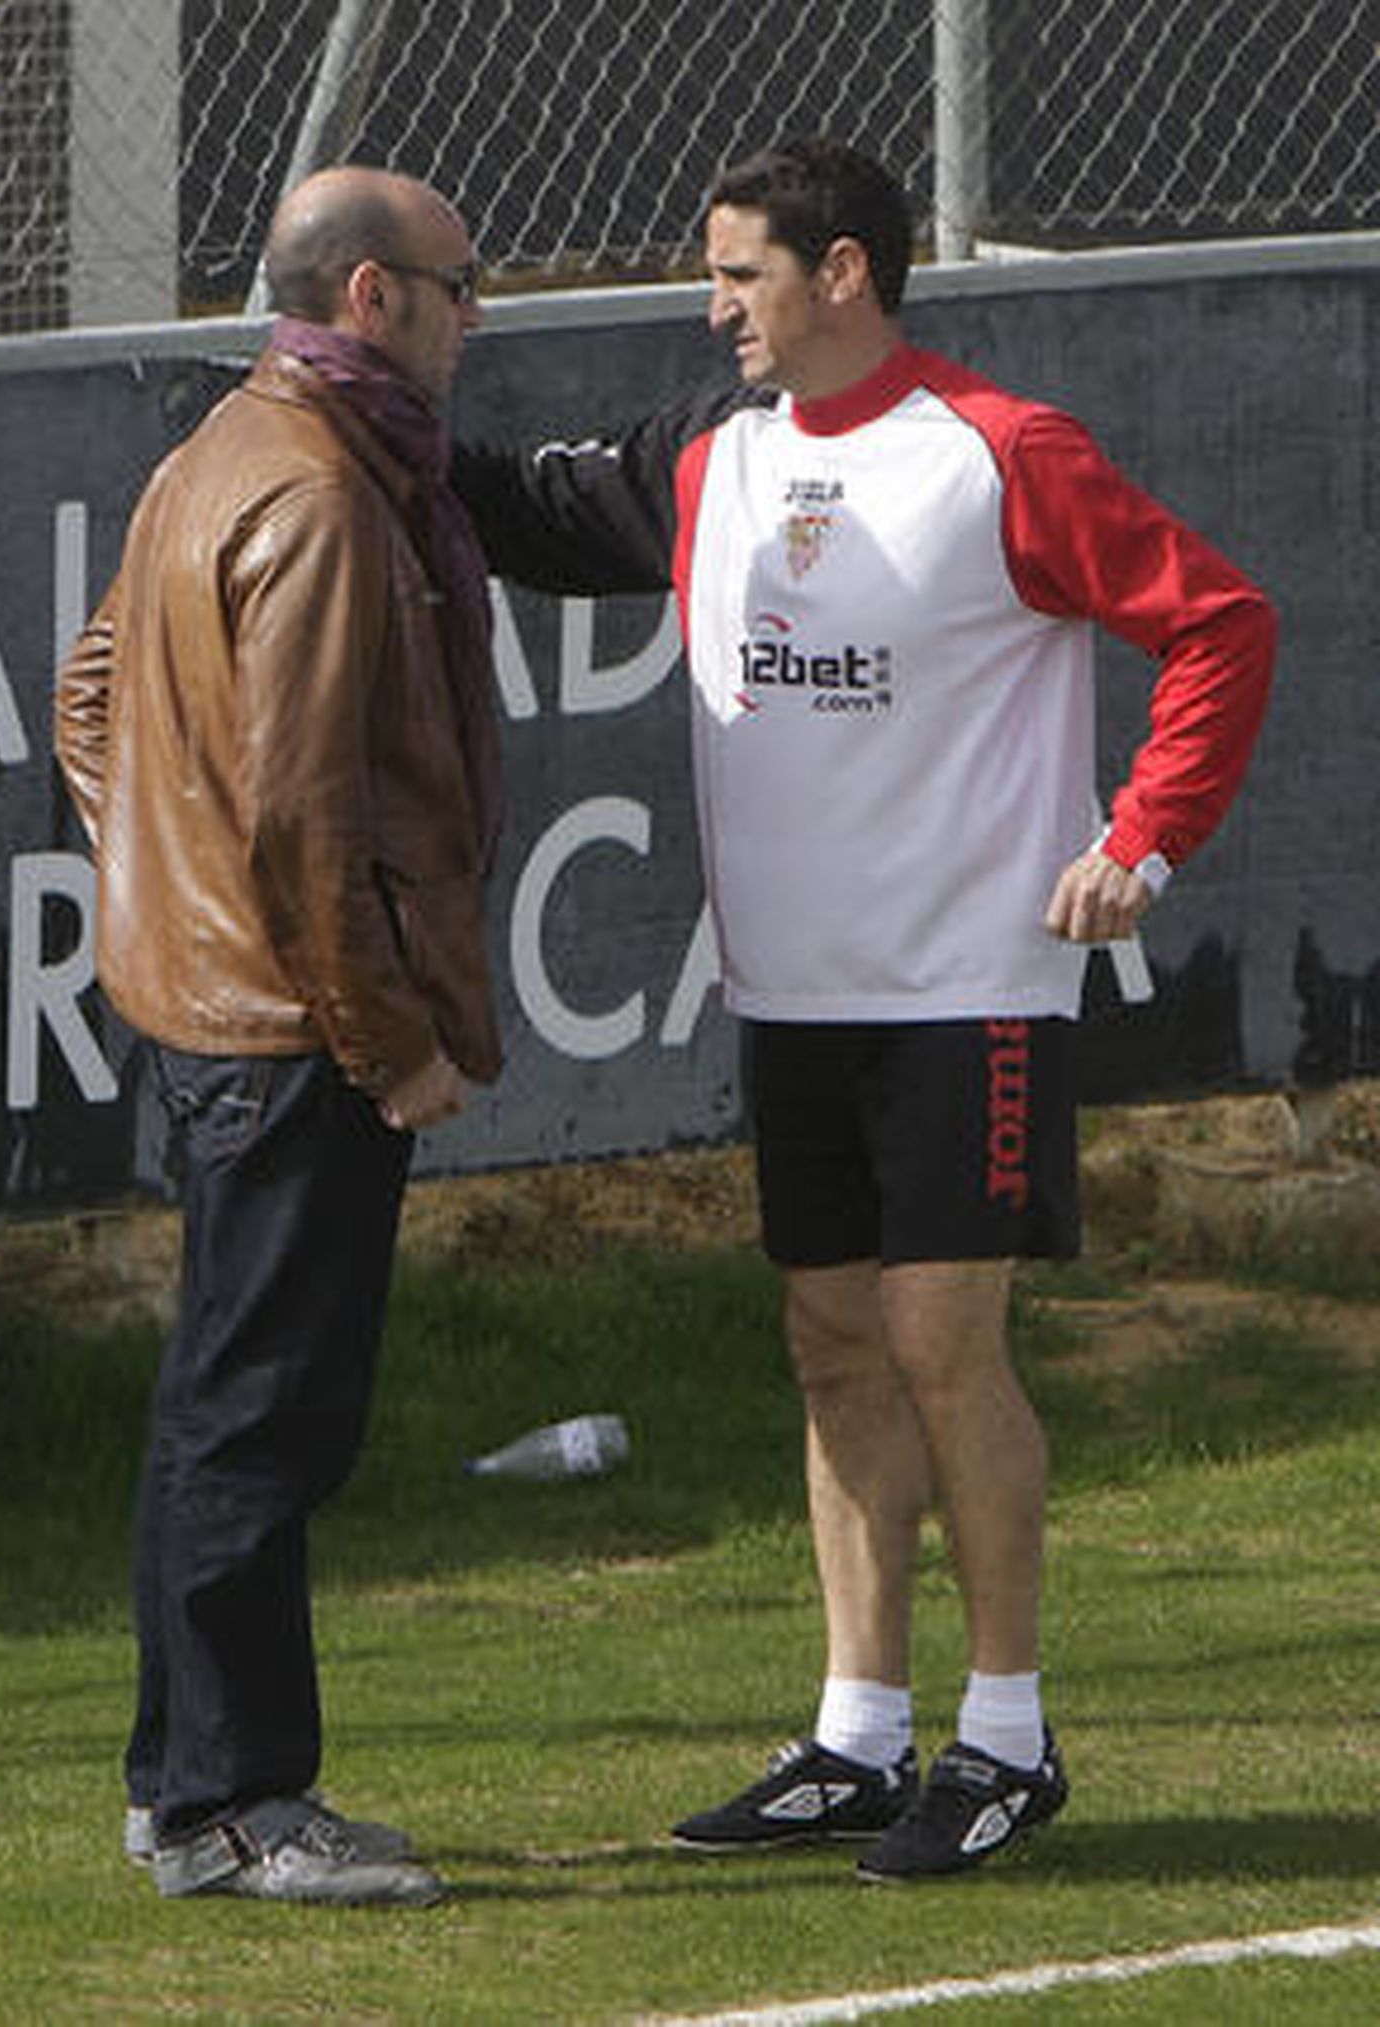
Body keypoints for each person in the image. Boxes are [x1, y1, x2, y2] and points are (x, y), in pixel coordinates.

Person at [452, 138, 1276, 1880]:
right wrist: (342, 427)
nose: (713, 304)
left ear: (843, 274)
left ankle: (1007, 1732)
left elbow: (1219, 622)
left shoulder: (999, 452)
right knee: (831, 1344)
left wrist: (1144, 837)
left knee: (935, 1345)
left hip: (964, 985)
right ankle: (856, 1730)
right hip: (795, 990)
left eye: (741, 272)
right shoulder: (712, 452)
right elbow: (513, 511)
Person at [54, 166, 501, 1907]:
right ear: (374, 299)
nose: (481, 315)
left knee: (222, 1406)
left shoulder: (220, 452)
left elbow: (97, 700)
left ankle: (186, 1790)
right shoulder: (317, 492)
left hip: (223, 1006)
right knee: (261, 1417)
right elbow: (316, 824)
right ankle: (236, 1803)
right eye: (464, 286)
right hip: (290, 1031)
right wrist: (386, 1042)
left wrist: (160, 869)